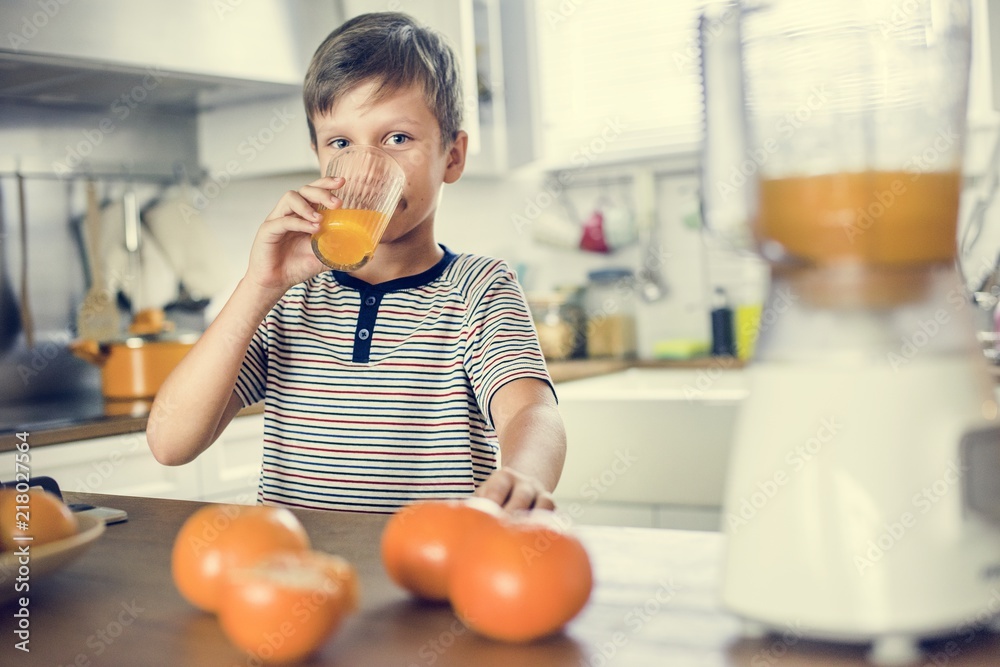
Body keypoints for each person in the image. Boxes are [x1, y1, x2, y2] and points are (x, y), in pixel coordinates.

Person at [146, 12, 566, 513]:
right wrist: (259, 286)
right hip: (294, 572)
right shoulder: (288, 299)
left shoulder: (479, 289)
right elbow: (170, 443)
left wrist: (520, 476)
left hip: (427, 575)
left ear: (452, 156)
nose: (368, 168)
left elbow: (532, 412)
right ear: (320, 157)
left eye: (397, 139)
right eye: (342, 143)